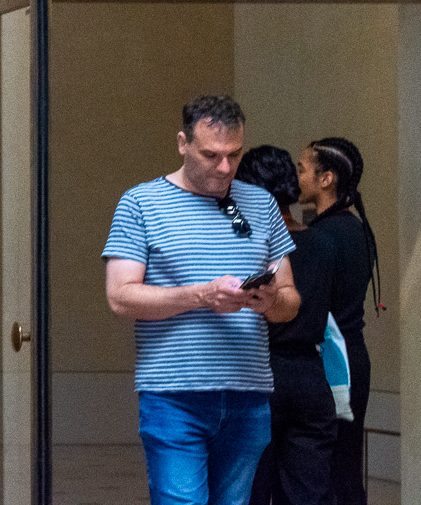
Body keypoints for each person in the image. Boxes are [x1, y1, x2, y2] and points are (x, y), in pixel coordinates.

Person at [104, 95, 301, 505]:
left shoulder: (261, 204)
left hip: (248, 395)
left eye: (235, 154)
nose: (225, 167)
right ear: (183, 143)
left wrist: (267, 301)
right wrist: (202, 295)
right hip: (174, 396)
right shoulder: (140, 203)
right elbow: (120, 297)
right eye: (211, 155)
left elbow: (290, 301)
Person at [237, 145, 334, 505]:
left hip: (258, 373)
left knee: (250, 489)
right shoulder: (323, 243)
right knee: (308, 492)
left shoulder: (249, 244)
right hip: (309, 375)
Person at [297, 137, 379, 505]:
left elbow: (311, 307)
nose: (296, 178)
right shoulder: (358, 229)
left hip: (330, 362)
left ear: (326, 178)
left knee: (323, 473)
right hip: (355, 358)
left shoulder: (322, 236)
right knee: (346, 467)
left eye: (301, 169)